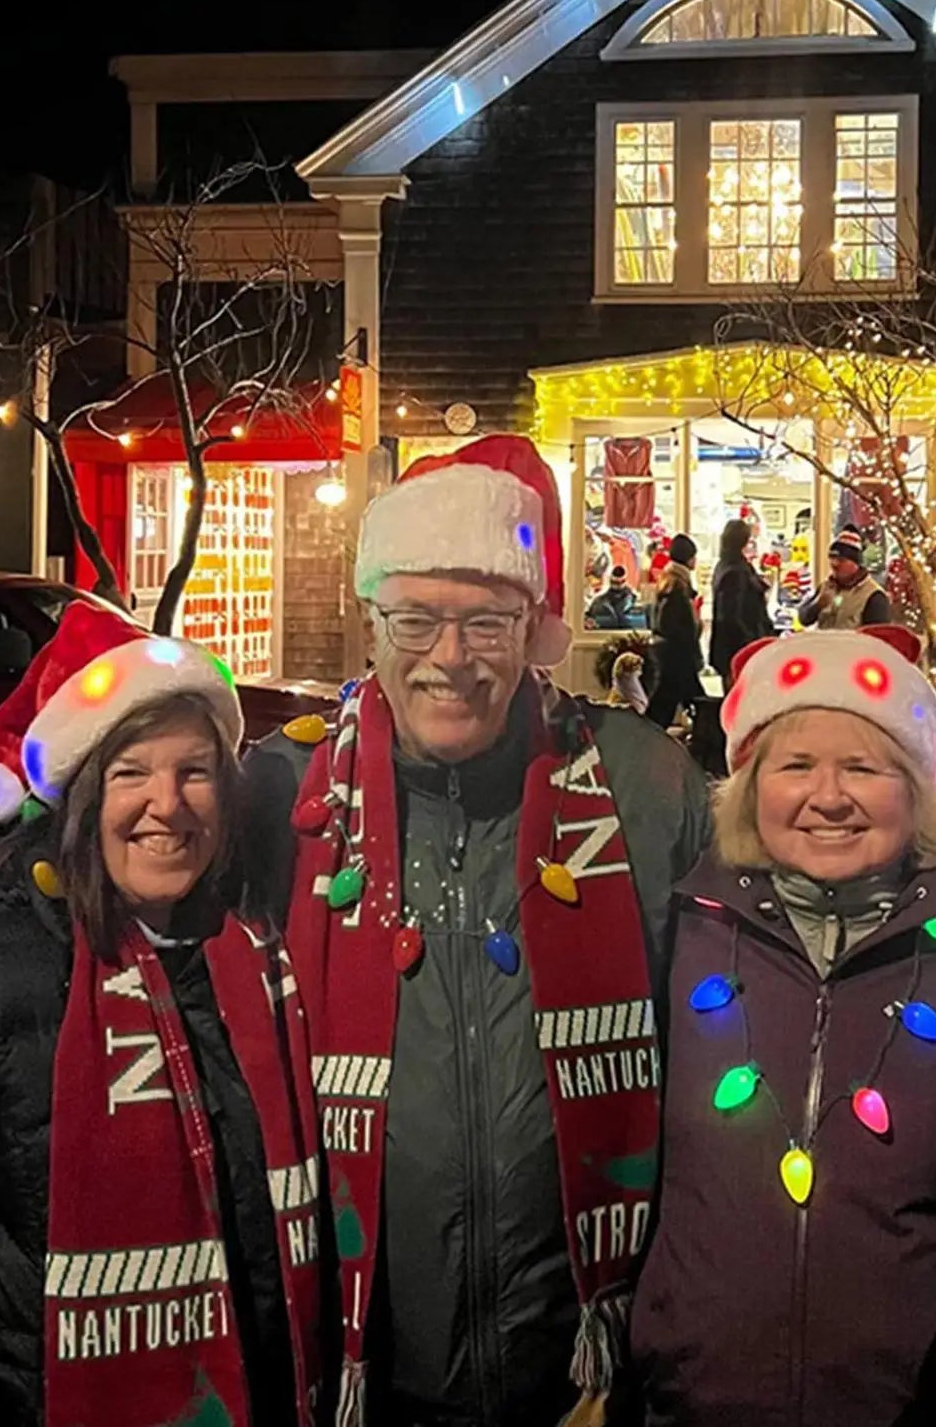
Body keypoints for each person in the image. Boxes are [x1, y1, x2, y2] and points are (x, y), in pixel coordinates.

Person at [241, 434, 713, 1427]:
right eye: (416, 619)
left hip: (581, 1368)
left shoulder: (642, 784)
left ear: (533, 629)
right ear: (371, 623)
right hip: (364, 1362)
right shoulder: (283, 799)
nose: (448, 658)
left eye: (487, 621)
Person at [0, 604, 323, 1427]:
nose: (169, 804)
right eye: (130, 773)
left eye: (195, 772)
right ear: (80, 796)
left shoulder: (250, 956)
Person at [633, 626, 936, 1426]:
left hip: (915, 1406)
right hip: (700, 1399)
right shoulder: (678, 934)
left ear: (915, 790)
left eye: (863, 766)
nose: (829, 795)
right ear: (748, 784)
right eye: (797, 764)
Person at [646, 533, 704, 730]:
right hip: (677, 653)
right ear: (689, 558)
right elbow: (676, 623)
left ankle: (649, 734)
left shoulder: (670, 579)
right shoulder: (677, 584)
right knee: (687, 699)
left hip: (671, 652)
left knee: (668, 700)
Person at [708, 517, 774, 683]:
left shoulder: (726, 566)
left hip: (732, 647)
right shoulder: (735, 571)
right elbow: (731, 615)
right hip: (738, 648)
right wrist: (750, 640)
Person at [797, 524, 891, 630]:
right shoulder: (826, 586)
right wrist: (818, 605)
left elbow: (877, 639)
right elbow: (803, 619)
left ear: (856, 564)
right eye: (832, 558)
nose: (835, 564)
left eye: (841, 560)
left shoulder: (874, 596)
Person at [587, 564, 640, 631]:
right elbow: (588, 622)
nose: (618, 584)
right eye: (615, 582)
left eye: (621, 582)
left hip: (629, 640)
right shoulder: (598, 602)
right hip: (602, 639)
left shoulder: (636, 602)